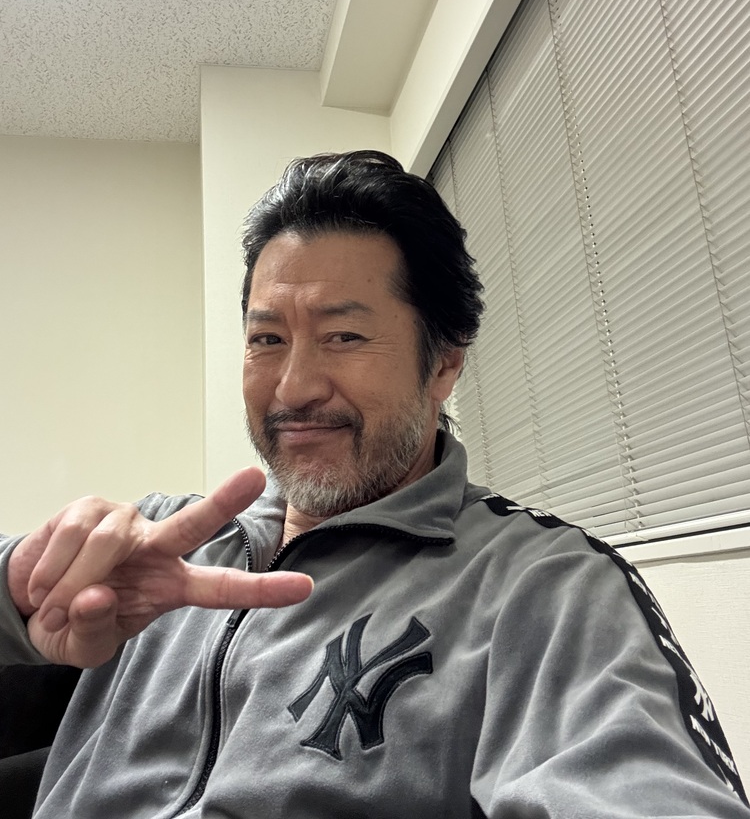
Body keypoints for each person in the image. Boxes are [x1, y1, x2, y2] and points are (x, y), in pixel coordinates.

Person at [0, 150, 748, 819]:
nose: (294, 387)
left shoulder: (543, 586)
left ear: (444, 362)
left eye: (344, 336)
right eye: (267, 339)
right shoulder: (163, 543)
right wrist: (19, 593)